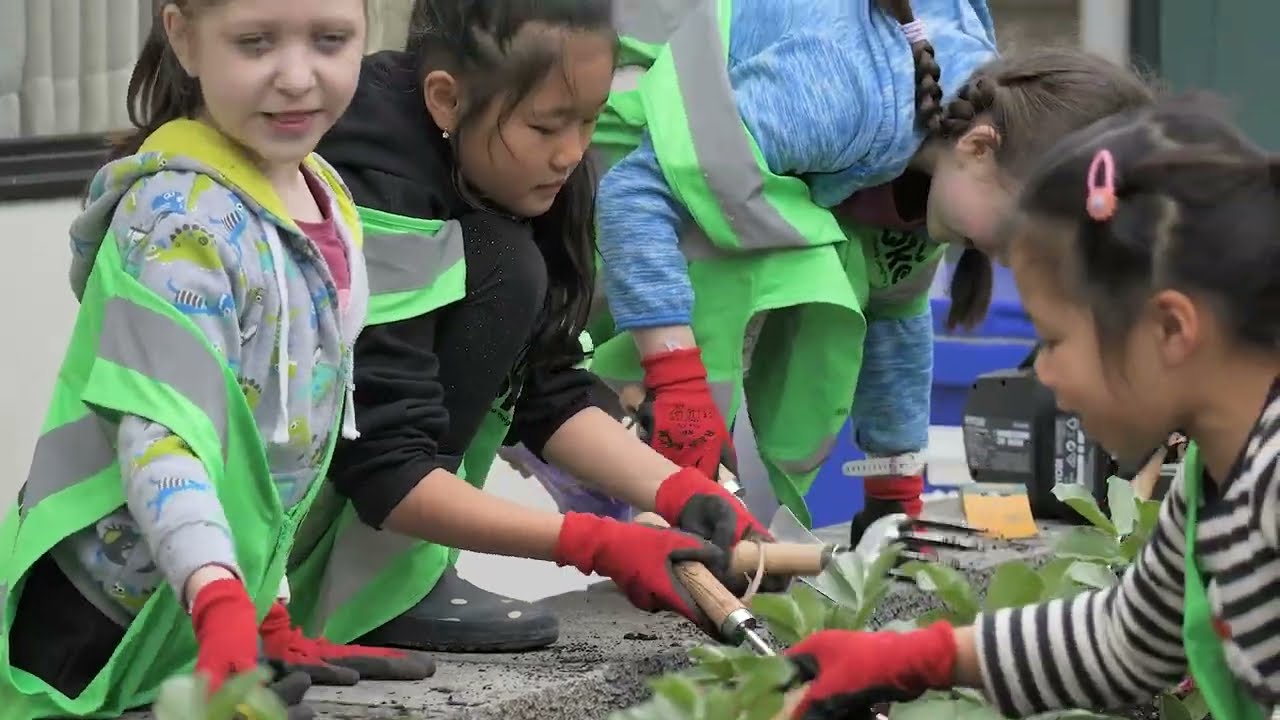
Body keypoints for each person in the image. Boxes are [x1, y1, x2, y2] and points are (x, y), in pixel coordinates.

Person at [267, 0, 774, 661]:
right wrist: (598, 543)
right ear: (447, 100)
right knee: (505, 265)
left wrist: (680, 491)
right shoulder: (372, 171)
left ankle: (397, 579)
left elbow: (545, 386)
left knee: (510, 265)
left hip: (380, 481)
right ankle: (371, 592)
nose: (571, 152)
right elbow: (386, 463)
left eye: (589, 120)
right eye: (545, 125)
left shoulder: (521, 170)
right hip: (256, 530)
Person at [783, 98, 1280, 720]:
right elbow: (1123, 643)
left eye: (1055, 340)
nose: (1041, 372)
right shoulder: (1215, 478)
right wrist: (916, 657)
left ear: (1170, 331)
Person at [586, 0, 1156, 543]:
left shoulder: (955, 130)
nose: (1009, 261)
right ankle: (682, 479)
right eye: (1015, 238)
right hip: (610, 156)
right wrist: (679, 384)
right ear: (981, 148)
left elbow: (895, 299)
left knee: (841, 265)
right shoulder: (844, 93)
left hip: (678, 200)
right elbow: (635, 192)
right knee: (786, 263)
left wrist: (894, 489)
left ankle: (703, 491)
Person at [0, 0, 402, 717]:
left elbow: (270, 449)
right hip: (98, 621)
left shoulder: (324, 193)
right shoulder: (176, 220)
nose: (297, 76)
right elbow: (162, 438)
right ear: (184, 38)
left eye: (331, 39)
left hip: (204, 612)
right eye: (256, 42)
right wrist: (221, 609)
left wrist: (264, 616)